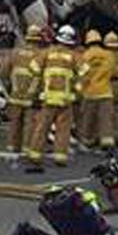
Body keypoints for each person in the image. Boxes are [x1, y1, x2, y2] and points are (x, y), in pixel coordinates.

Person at [24, 24, 80, 170]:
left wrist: (43, 78)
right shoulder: (74, 56)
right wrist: (76, 87)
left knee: (42, 127)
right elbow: (85, 73)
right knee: (63, 129)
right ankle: (60, 157)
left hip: (48, 97)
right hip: (66, 99)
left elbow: (33, 68)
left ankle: (35, 155)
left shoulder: (46, 53)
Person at [0, 24, 43, 154]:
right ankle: (26, 148)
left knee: (15, 122)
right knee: (29, 123)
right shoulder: (41, 55)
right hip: (32, 96)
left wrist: (8, 87)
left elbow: (3, 72)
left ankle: (12, 146)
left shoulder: (15, 53)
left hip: (15, 94)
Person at [78, 29, 117, 151]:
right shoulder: (109, 55)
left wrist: (79, 89)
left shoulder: (86, 56)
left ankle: (87, 141)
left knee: (88, 118)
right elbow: (113, 72)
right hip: (105, 91)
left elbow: (82, 74)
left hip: (90, 92)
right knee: (106, 119)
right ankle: (106, 141)